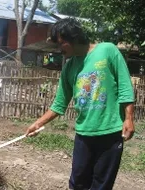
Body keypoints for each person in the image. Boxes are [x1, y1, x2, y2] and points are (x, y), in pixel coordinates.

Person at [25, 18, 135, 190]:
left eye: (61, 43)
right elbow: (59, 104)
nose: (59, 49)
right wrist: (37, 124)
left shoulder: (108, 50)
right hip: (84, 134)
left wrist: (128, 118)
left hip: (111, 132)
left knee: (101, 185)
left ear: (73, 38)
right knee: (77, 183)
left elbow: (125, 87)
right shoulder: (69, 68)